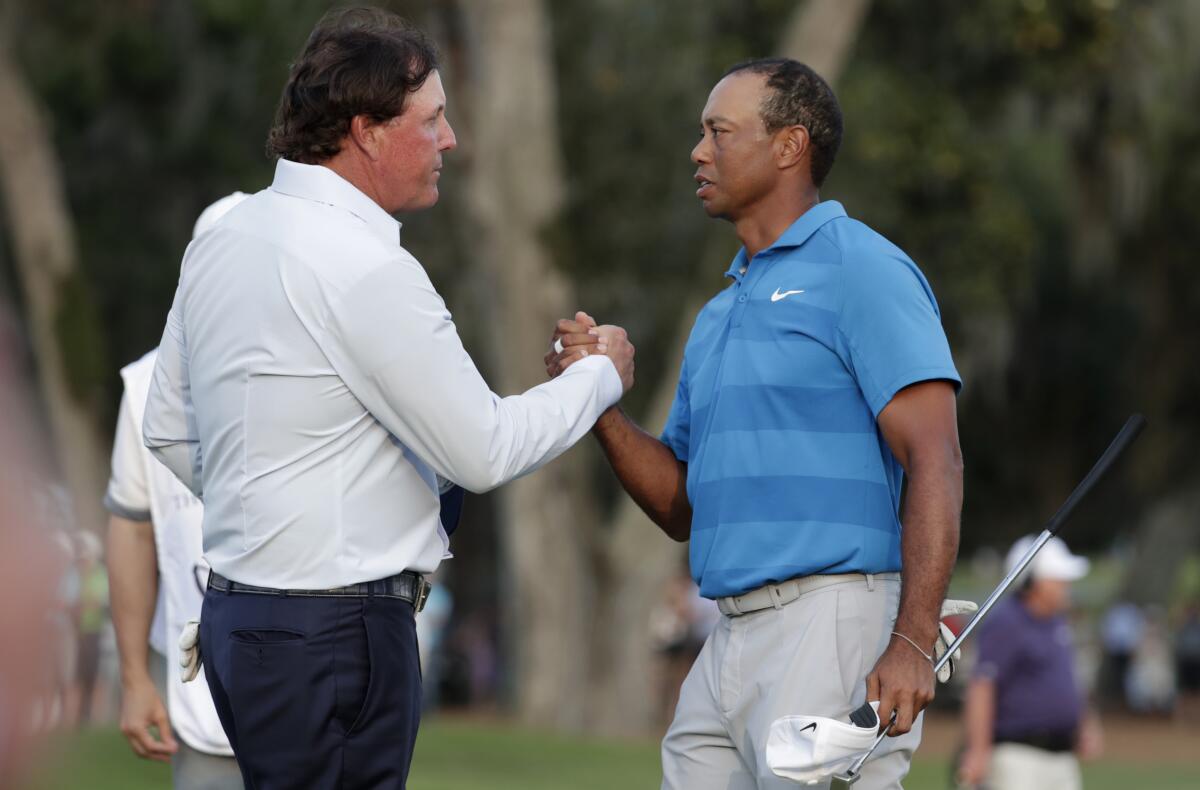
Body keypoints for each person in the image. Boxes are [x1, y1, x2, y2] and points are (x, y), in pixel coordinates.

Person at [141, 8, 634, 789]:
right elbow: (484, 450)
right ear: (367, 130)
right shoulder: (365, 268)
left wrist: (272, 519)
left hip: (243, 621)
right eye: (433, 119)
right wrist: (600, 376)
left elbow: (166, 430)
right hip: (331, 632)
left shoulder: (224, 237)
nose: (450, 140)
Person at [550, 58, 962, 789]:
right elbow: (683, 506)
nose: (698, 151)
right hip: (728, 633)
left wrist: (912, 639)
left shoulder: (862, 268)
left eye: (719, 131)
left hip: (832, 621)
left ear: (788, 146)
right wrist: (598, 405)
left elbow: (936, 457)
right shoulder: (718, 313)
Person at [105, 194, 249, 787]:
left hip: (323, 678)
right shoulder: (146, 386)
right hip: (201, 688)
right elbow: (132, 528)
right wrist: (136, 678)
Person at [958, 535, 1102, 790]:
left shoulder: (1057, 621)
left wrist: (1084, 724)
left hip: (1062, 754)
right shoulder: (1006, 623)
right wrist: (978, 750)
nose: (1066, 584)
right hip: (1018, 756)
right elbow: (982, 686)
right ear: (1031, 581)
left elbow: (1067, 681)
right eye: (1058, 579)